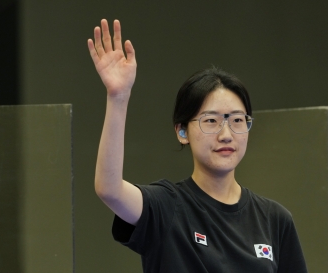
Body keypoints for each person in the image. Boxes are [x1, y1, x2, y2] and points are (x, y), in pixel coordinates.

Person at [88, 19, 308, 273]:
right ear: (182, 131)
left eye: (237, 120)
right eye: (211, 121)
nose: (226, 134)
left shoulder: (275, 220)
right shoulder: (166, 207)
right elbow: (109, 189)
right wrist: (118, 96)